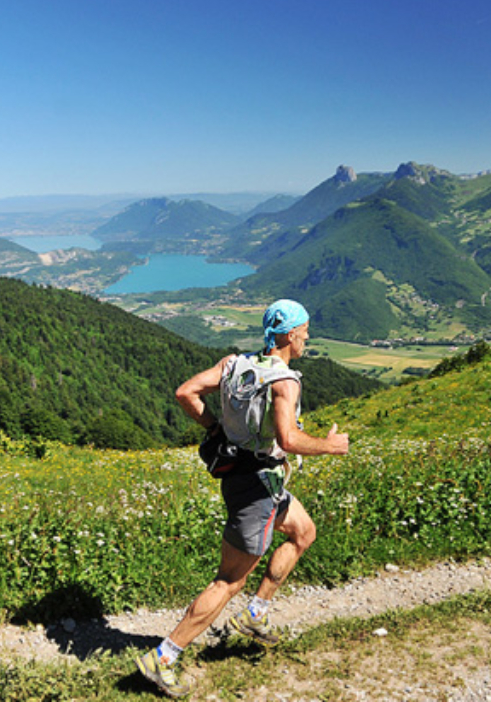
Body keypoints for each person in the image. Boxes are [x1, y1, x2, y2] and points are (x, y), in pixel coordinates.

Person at [136, 299, 350, 698]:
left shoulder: (234, 364)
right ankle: (163, 657)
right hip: (258, 491)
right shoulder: (284, 381)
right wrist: (330, 445)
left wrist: (215, 428)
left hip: (246, 479)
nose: (307, 337)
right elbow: (287, 439)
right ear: (289, 335)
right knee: (228, 580)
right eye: (304, 330)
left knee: (303, 532)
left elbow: (186, 392)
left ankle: (255, 616)